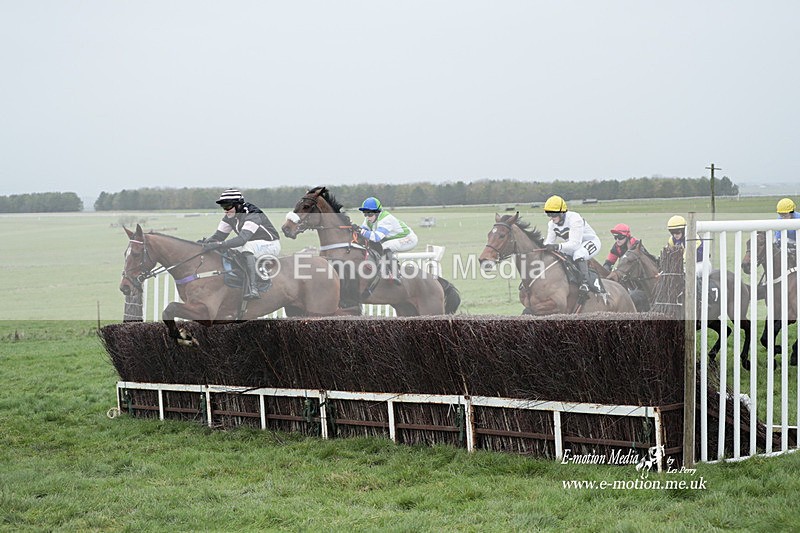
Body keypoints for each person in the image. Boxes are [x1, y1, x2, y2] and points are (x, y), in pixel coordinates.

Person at [202, 188, 281, 300]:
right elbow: (218, 237)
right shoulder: (230, 217)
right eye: (223, 207)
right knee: (228, 250)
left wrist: (218, 244)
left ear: (238, 205)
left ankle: (253, 288)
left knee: (247, 248)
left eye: (228, 206)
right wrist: (204, 243)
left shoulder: (252, 213)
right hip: (252, 243)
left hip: (270, 243)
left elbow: (241, 240)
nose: (225, 210)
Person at [542, 195, 600, 298]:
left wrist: (556, 246)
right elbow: (549, 242)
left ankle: (585, 284)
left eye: (553, 214)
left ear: (562, 212)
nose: (551, 217)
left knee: (578, 254)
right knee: (558, 255)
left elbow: (575, 244)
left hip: (590, 242)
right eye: (548, 214)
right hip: (573, 245)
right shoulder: (551, 224)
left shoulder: (575, 219)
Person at [358, 197, 418, 284]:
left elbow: (376, 237)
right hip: (394, 239)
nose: (367, 217)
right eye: (365, 214)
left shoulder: (386, 219)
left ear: (378, 212)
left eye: (370, 214)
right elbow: (362, 231)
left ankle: (395, 274)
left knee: (384, 246)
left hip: (408, 239)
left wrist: (361, 231)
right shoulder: (369, 219)